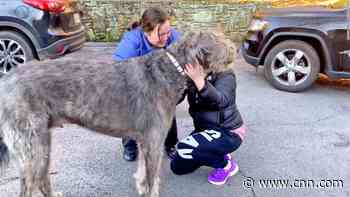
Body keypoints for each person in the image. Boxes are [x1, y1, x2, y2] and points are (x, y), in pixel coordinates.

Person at [112, 7, 180, 161]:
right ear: (146, 31)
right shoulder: (131, 42)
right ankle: (130, 145)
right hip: (134, 84)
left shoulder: (172, 36)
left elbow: (182, 55)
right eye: (161, 34)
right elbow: (117, 72)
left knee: (167, 109)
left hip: (162, 82)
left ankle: (170, 144)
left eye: (168, 32)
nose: (166, 37)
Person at [170, 63, 246, 185]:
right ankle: (216, 151)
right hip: (205, 130)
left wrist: (199, 80)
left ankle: (226, 165)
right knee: (178, 167)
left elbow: (221, 101)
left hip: (228, 132)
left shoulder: (225, 74)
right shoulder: (191, 74)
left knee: (186, 147)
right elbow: (176, 98)